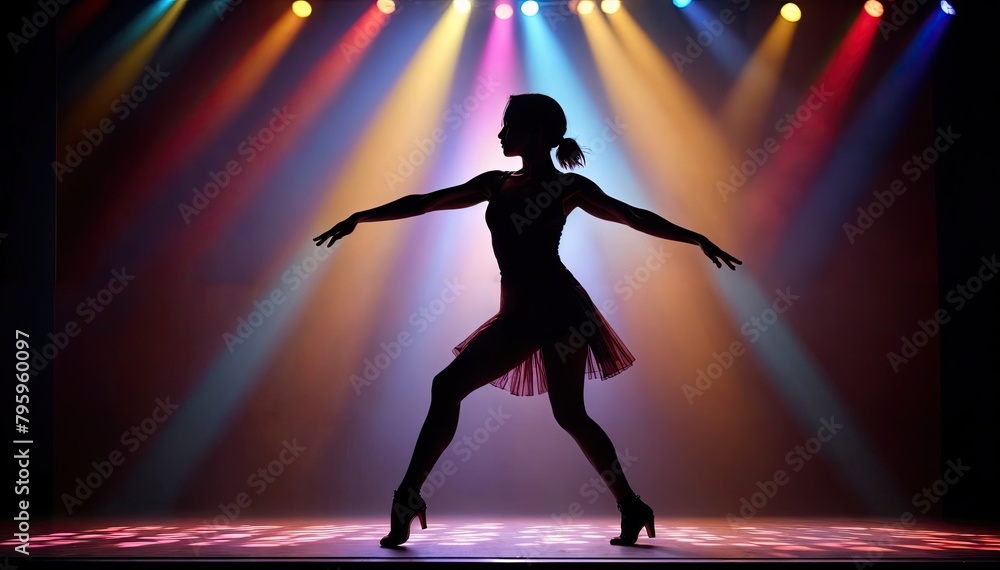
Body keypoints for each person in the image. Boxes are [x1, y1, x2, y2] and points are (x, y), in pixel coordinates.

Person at [314, 93, 741, 547]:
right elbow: (426, 202)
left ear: (536, 133)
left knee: (540, 407)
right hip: (521, 314)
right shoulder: (496, 184)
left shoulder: (567, 188)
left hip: (558, 312)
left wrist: (695, 238)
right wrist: (363, 216)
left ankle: (408, 497)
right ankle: (631, 505)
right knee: (552, 410)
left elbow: (633, 217)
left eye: (509, 127)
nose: (500, 134)